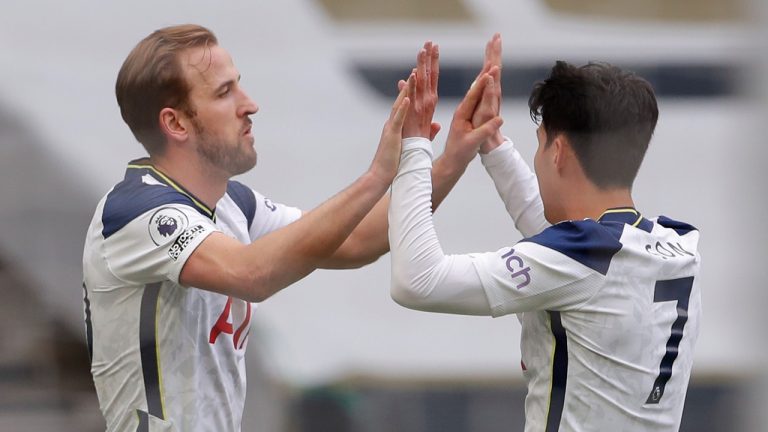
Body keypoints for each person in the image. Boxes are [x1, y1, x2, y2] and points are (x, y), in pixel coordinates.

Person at [82, 24, 500, 431]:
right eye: (225, 92)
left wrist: (452, 158)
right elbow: (252, 275)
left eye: (239, 85)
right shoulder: (137, 210)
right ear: (176, 124)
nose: (250, 104)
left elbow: (358, 240)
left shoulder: (233, 204)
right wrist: (377, 175)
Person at [388, 34, 701, 431]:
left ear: (558, 152)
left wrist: (414, 146)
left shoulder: (585, 257)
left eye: (540, 145)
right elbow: (565, 245)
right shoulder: (677, 245)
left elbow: (415, 281)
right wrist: (493, 144)